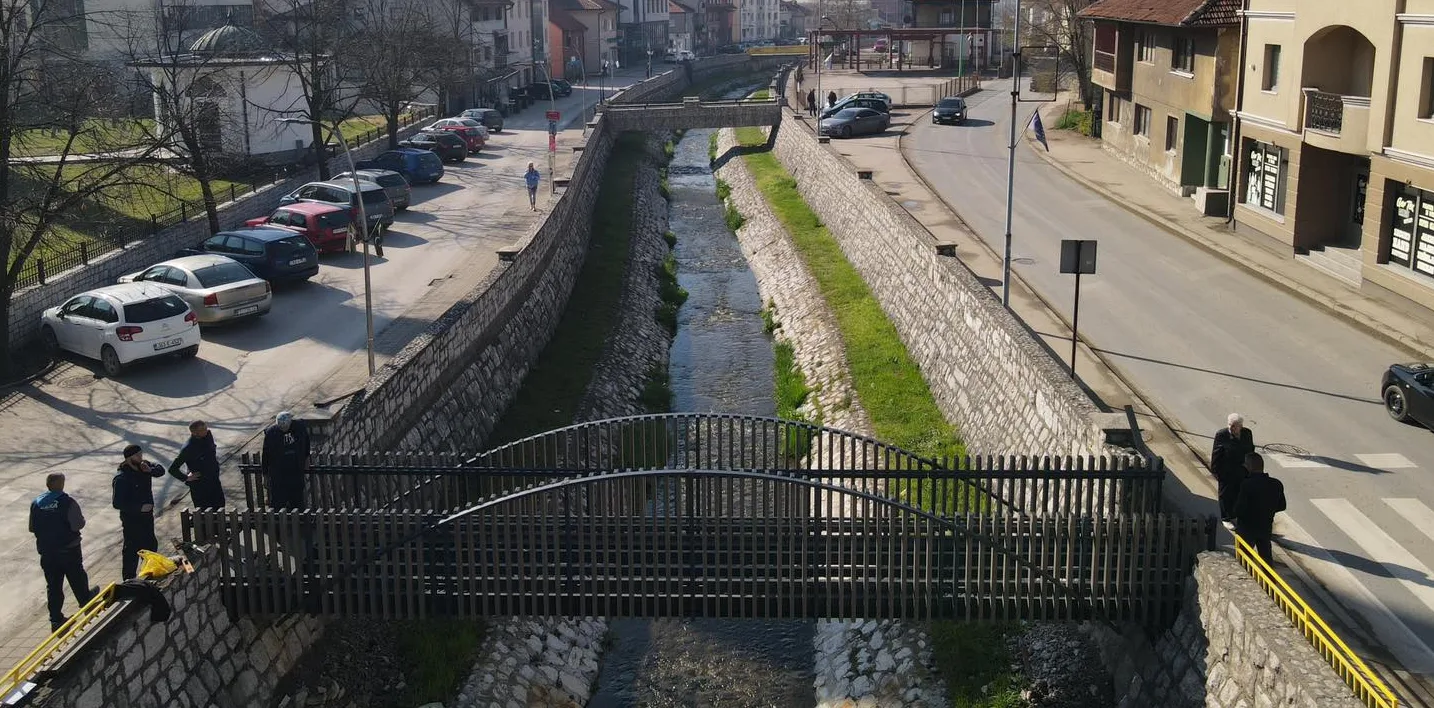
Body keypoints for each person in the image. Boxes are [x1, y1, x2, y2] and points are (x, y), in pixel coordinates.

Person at [31, 473, 97, 631]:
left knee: (53, 585)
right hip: (68, 549)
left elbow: (32, 527)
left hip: (47, 552)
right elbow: (77, 524)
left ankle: (55, 619)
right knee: (77, 576)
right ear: (61, 484)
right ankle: (86, 602)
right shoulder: (67, 502)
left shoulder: (36, 503)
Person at [113, 444, 165, 580]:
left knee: (151, 545)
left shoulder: (144, 466)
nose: (140, 457)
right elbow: (117, 503)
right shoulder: (122, 478)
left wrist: (150, 470)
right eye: (137, 455)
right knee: (132, 550)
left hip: (147, 517)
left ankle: (151, 574)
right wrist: (138, 508)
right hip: (132, 520)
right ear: (129, 458)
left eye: (141, 454)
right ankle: (129, 579)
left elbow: (161, 470)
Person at [1234, 452, 1286, 565]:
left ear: (1249, 467)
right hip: (1265, 526)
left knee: (1244, 559)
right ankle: (1268, 576)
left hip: (1247, 528)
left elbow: (1239, 510)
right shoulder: (1276, 484)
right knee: (1266, 557)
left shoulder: (1247, 484)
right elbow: (1282, 506)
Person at [1210, 412, 1254, 525]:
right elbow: (1216, 454)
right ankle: (1226, 517)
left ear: (1240, 426)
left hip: (1242, 470)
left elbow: (1250, 450)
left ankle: (1236, 515)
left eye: (1234, 426)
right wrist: (1215, 471)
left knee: (1239, 493)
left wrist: (1250, 466)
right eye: (1229, 424)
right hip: (1227, 470)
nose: (1231, 428)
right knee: (1226, 495)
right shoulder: (1222, 435)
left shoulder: (1247, 433)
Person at [168, 420, 225, 509]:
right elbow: (172, 469)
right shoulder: (188, 448)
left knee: (220, 506)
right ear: (195, 433)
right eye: (202, 429)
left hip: (214, 481)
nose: (206, 430)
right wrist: (186, 478)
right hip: (201, 487)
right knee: (205, 512)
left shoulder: (208, 437)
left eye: (206, 428)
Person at [263, 411, 311, 509]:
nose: (283, 429)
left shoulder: (299, 428)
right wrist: (265, 475)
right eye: (281, 427)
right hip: (278, 475)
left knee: (297, 503)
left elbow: (306, 445)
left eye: (285, 427)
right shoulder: (271, 433)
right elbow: (265, 455)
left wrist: (306, 459)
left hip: (295, 472)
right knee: (277, 504)